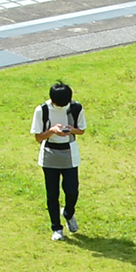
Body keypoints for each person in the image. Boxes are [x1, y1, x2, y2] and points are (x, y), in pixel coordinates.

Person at [30, 81, 86, 242]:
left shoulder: (76, 108)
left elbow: (81, 130)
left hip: (69, 153)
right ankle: (56, 227)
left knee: (72, 190)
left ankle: (68, 213)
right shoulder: (42, 110)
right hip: (49, 155)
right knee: (52, 193)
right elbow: (38, 137)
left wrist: (71, 130)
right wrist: (52, 131)